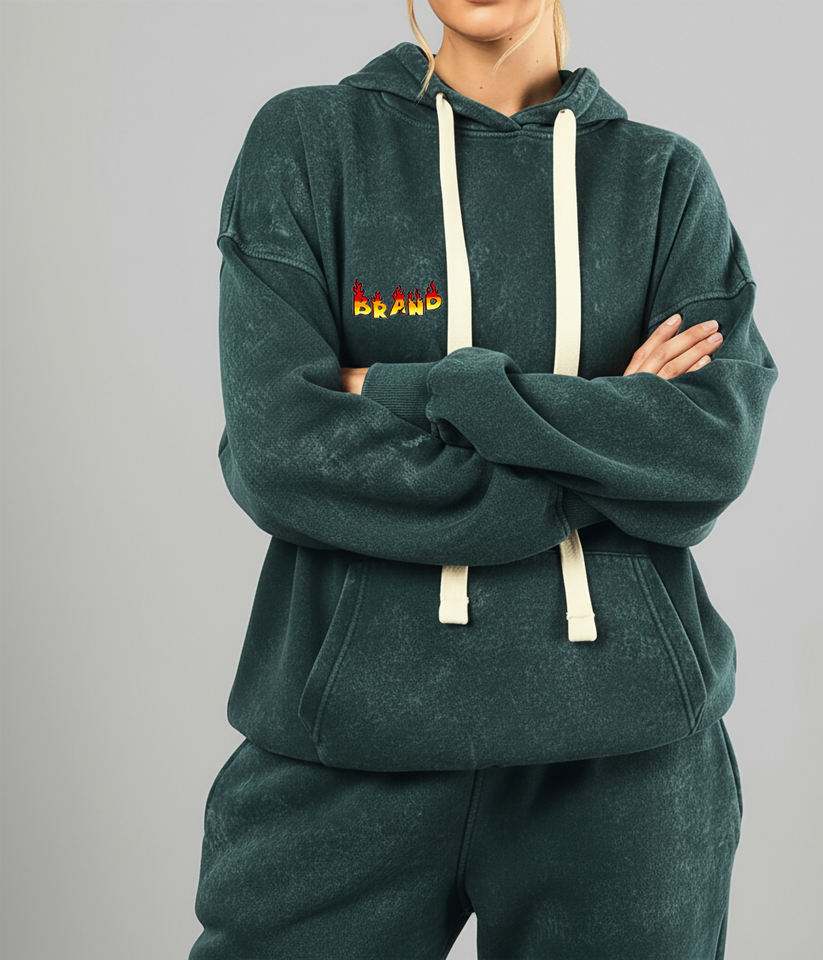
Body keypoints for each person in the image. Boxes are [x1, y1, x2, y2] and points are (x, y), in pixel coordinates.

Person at [189, 1, 778, 957]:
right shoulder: (309, 143)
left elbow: (708, 448)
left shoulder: (662, 180)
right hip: (350, 737)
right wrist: (598, 453)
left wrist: (403, 389)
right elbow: (281, 449)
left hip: (626, 757)